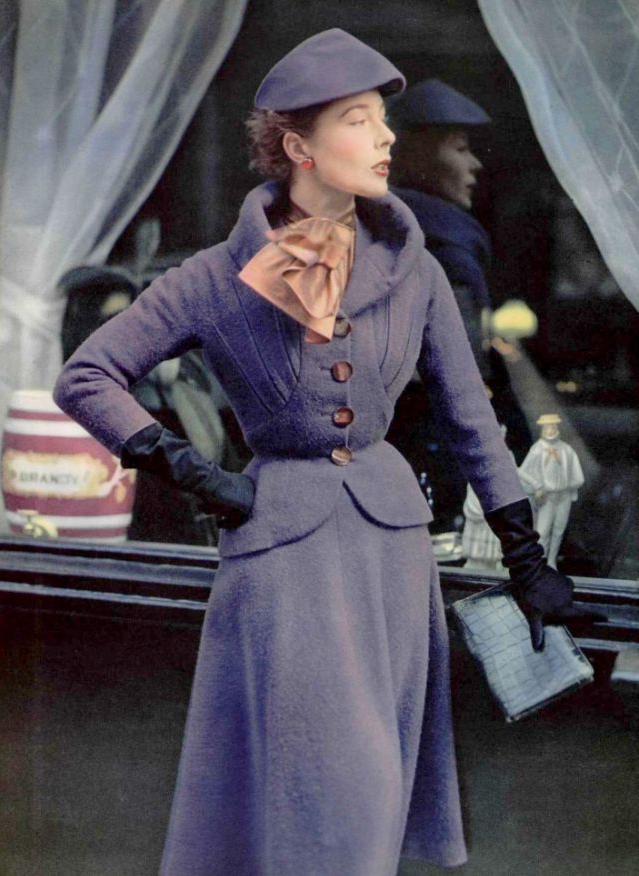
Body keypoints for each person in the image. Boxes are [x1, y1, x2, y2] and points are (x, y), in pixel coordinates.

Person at [53, 29, 598, 876]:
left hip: (391, 559)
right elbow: (87, 376)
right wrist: (190, 470)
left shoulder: (415, 269)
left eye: (384, 118)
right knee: (335, 805)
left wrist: (525, 555)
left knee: (371, 808)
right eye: (358, 119)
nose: (385, 137)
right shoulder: (214, 277)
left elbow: (471, 418)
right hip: (284, 560)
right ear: (298, 147)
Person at [387, 79, 531, 531]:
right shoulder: (442, 245)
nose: (475, 164)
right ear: (413, 155)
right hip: (433, 464)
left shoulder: (402, 230)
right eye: (461, 148)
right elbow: (463, 378)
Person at [519, 414, 585, 568]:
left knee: (558, 530)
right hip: (547, 497)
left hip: (563, 496)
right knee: (543, 531)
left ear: (557, 428)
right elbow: (521, 471)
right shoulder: (537, 449)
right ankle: (539, 562)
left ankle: (551, 561)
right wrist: (537, 485)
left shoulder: (566, 450)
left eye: (553, 426)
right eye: (547, 427)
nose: (550, 430)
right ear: (543, 429)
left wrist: (568, 484)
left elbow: (579, 477)